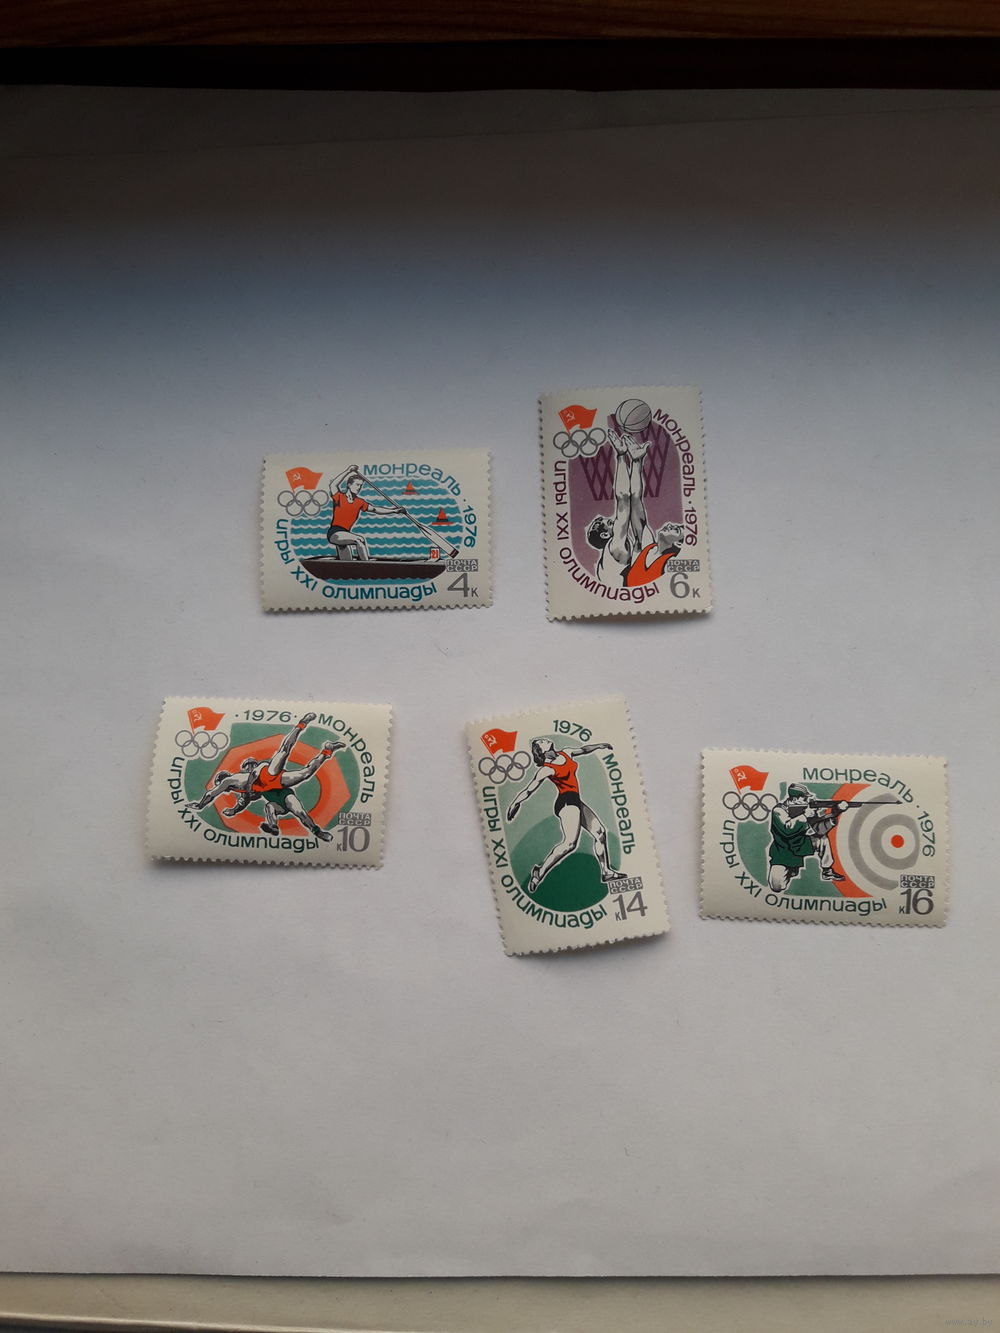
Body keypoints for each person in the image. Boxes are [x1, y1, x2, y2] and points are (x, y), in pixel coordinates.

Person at [186, 713, 344, 842]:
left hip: (268, 775)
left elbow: (213, 793)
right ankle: (327, 751)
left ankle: (302, 723)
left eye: (222, 787)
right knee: (305, 775)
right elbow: (241, 803)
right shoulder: (241, 792)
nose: (224, 790)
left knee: (285, 753)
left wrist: (200, 805)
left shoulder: (232, 780)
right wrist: (233, 810)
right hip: (274, 787)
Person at [506, 737, 628, 894]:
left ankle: (606, 872)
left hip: (576, 800)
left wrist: (600, 745)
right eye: (541, 742)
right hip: (565, 802)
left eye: (543, 740)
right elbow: (529, 789)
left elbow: (584, 750)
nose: (545, 740)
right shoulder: (546, 769)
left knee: (600, 833)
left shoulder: (566, 753)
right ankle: (539, 873)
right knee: (570, 844)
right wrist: (515, 803)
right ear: (541, 752)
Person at [585, 411, 682, 588]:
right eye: (606, 522)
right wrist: (622, 456)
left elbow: (635, 500)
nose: (609, 518)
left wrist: (636, 461)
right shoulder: (616, 548)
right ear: (606, 534)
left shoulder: (639, 549)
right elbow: (623, 499)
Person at [768, 784, 849, 892]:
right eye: (804, 798)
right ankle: (791, 869)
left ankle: (827, 871)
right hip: (783, 850)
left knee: (822, 839)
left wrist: (835, 813)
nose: (807, 800)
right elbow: (787, 830)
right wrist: (805, 816)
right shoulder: (778, 811)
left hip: (802, 844)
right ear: (795, 799)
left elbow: (818, 830)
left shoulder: (805, 810)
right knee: (777, 886)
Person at [326, 465, 403, 560]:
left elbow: (375, 509)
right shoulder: (339, 497)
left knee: (347, 563)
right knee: (360, 540)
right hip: (335, 532)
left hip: (345, 534)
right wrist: (348, 471)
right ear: (349, 485)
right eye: (357, 485)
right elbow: (333, 485)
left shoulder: (360, 502)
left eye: (360, 486)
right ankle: (367, 564)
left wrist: (394, 511)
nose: (359, 488)